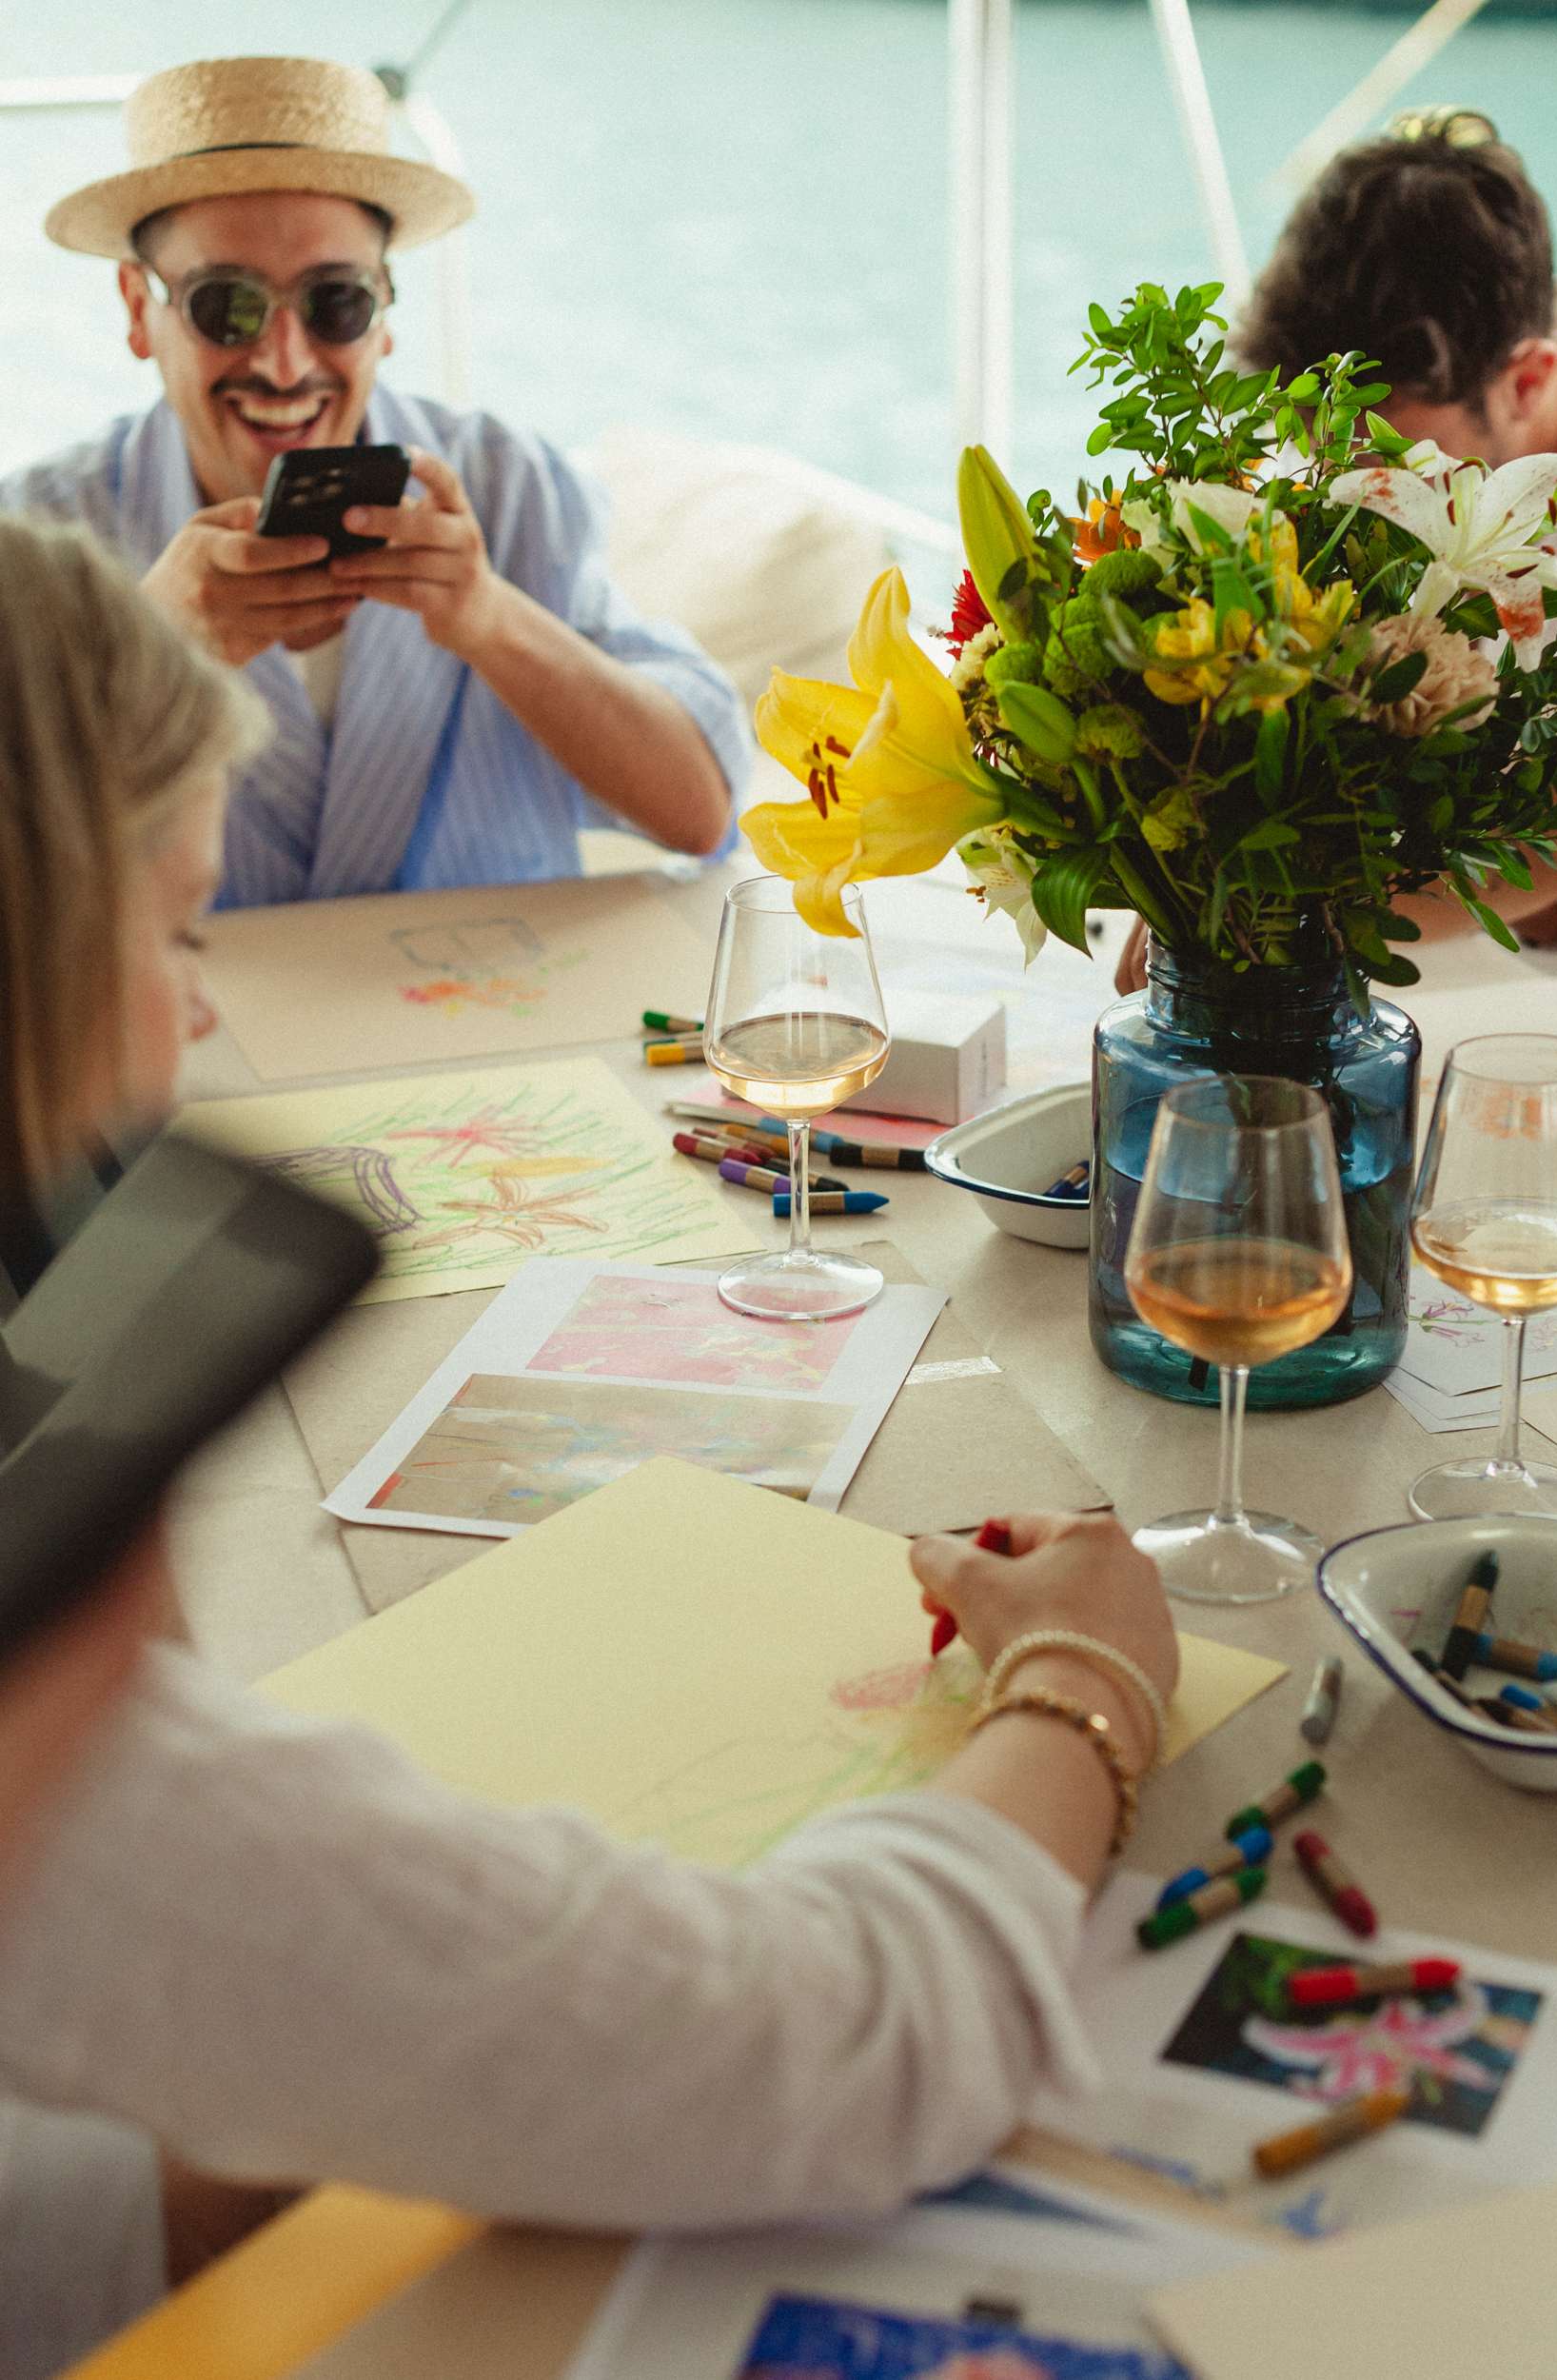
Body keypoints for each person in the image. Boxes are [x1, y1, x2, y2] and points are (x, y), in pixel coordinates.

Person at [0, 516, 1177, 2375]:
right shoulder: (37, 1662)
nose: (202, 999)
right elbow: (829, 2043)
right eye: (171, 930)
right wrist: (1085, 1682)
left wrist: (167, 2191)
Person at [0, 55, 747, 909]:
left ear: (385, 313)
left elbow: (701, 812)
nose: (285, 363)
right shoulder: (38, 539)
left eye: (335, 303)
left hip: (500, 1027)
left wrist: (489, 618)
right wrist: (148, 655)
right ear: (139, 311)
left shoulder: (509, 489)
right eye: (226, 305)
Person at [1112, 115, 1557, 992]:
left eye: (1389, 468)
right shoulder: (1371, 411)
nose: (1353, 500)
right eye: (1317, 446)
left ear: (1528, 382)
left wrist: (1292, 917)